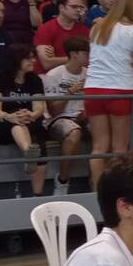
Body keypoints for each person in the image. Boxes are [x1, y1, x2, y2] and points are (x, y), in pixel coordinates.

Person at [85, 0, 133, 187]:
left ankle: (96, 188)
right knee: (119, 147)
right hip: (119, 89)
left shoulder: (97, 27)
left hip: (93, 88)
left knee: (99, 147)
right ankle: (115, 190)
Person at [0, 45, 48, 195]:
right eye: (28, 58)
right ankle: (28, 152)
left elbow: (39, 107)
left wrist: (32, 114)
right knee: (17, 121)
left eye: (33, 57)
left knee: (39, 143)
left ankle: (38, 194)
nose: (33, 61)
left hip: (27, 120)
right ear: (16, 60)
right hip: (1, 122)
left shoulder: (35, 79)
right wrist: (9, 116)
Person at [42, 36, 89, 195]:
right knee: (74, 133)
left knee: (106, 129)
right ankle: (62, 180)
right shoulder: (54, 75)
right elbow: (53, 111)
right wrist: (70, 91)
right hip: (59, 119)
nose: (89, 56)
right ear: (74, 54)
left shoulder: (90, 74)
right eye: (85, 53)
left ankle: (98, 180)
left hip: (85, 116)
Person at [33, 0, 91, 74]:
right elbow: (46, 63)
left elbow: (88, 61)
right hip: (48, 75)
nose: (78, 10)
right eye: (74, 7)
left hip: (75, 74)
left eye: (81, 7)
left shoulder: (84, 30)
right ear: (61, 7)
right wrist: (76, 58)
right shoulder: (46, 29)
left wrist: (56, 59)